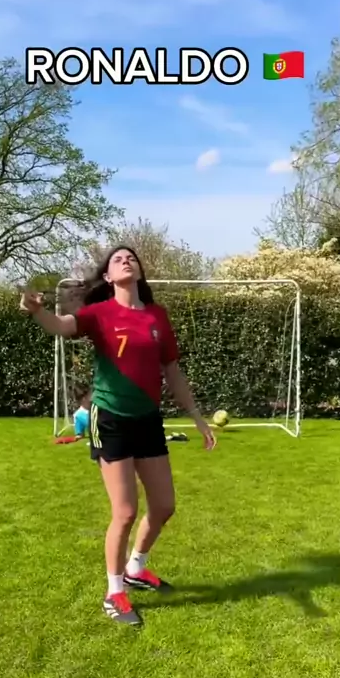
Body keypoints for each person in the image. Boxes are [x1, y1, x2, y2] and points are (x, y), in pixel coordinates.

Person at [20, 245, 216, 627]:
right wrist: (37, 312)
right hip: (109, 417)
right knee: (124, 512)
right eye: (117, 259)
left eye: (131, 258)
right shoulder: (100, 313)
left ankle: (136, 568)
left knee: (164, 506)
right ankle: (114, 593)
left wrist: (197, 417)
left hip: (148, 419)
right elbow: (62, 327)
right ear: (108, 277)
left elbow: (172, 371)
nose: (126, 260)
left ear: (139, 270)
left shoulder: (157, 316)